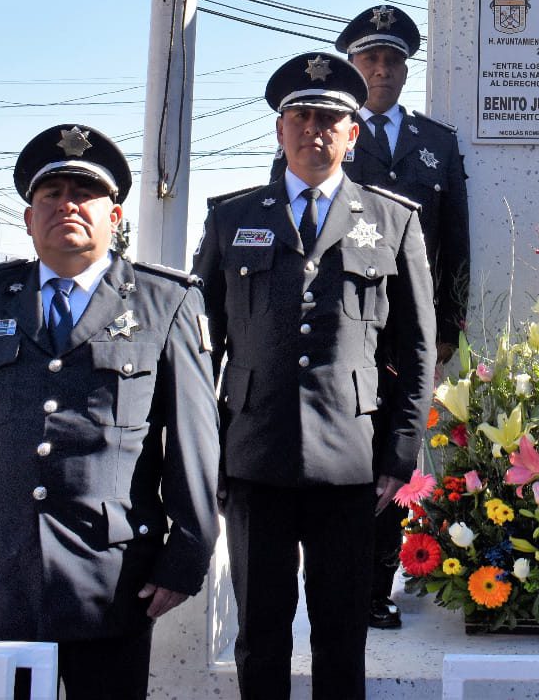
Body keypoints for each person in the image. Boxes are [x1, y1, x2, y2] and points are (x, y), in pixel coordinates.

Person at [0, 125, 218, 700]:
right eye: (50, 195)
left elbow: (195, 445)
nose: (67, 205)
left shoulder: (167, 302)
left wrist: (186, 556)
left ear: (116, 215)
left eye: (84, 193)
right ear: (29, 219)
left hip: (112, 572)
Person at [196, 52, 436, 700]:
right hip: (256, 458)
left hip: (350, 465)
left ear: (352, 133)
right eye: (300, 117)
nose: (314, 130)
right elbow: (201, 350)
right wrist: (209, 455)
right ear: (280, 131)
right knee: (261, 637)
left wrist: (400, 452)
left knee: (340, 637)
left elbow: (416, 350)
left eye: (330, 118)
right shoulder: (231, 218)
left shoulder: (393, 221)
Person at [335, 2, 472, 629]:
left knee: (399, 453)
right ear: (354, 65)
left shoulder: (436, 143)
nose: (381, 70)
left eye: (392, 60)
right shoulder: (326, 135)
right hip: (345, 326)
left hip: (409, 333)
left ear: (405, 68)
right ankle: (339, 578)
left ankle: (375, 589)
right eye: (370, 59)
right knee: (345, 453)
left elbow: (457, 243)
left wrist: (449, 326)